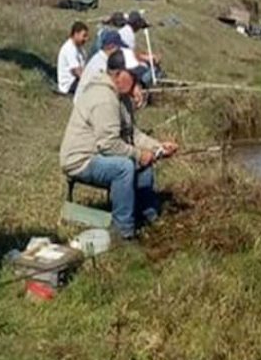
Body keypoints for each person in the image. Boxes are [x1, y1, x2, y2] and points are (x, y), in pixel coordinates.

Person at [59, 52, 177, 239]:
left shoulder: (121, 96)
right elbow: (109, 144)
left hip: (98, 153)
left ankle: (148, 215)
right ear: (118, 75)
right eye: (133, 75)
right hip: (81, 160)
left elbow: (133, 134)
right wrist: (139, 155)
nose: (137, 80)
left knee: (142, 163)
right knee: (124, 168)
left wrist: (157, 148)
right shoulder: (105, 98)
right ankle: (123, 232)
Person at [76, 30, 128, 99]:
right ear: (111, 46)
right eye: (118, 48)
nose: (120, 51)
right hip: (84, 100)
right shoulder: (101, 65)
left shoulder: (100, 58)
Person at [56, 21, 89, 96]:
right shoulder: (69, 49)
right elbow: (76, 71)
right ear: (76, 34)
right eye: (84, 36)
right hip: (69, 85)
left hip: (77, 80)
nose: (86, 39)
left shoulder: (80, 49)